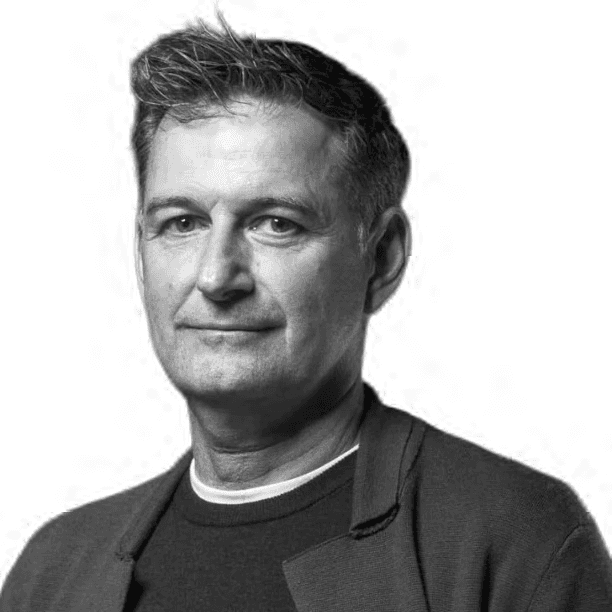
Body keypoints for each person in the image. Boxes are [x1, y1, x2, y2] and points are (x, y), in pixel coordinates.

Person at [1, 16, 611, 612]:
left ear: (382, 258)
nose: (216, 277)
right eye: (182, 223)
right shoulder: (53, 572)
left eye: (276, 224)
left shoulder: (516, 543)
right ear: (141, 252)